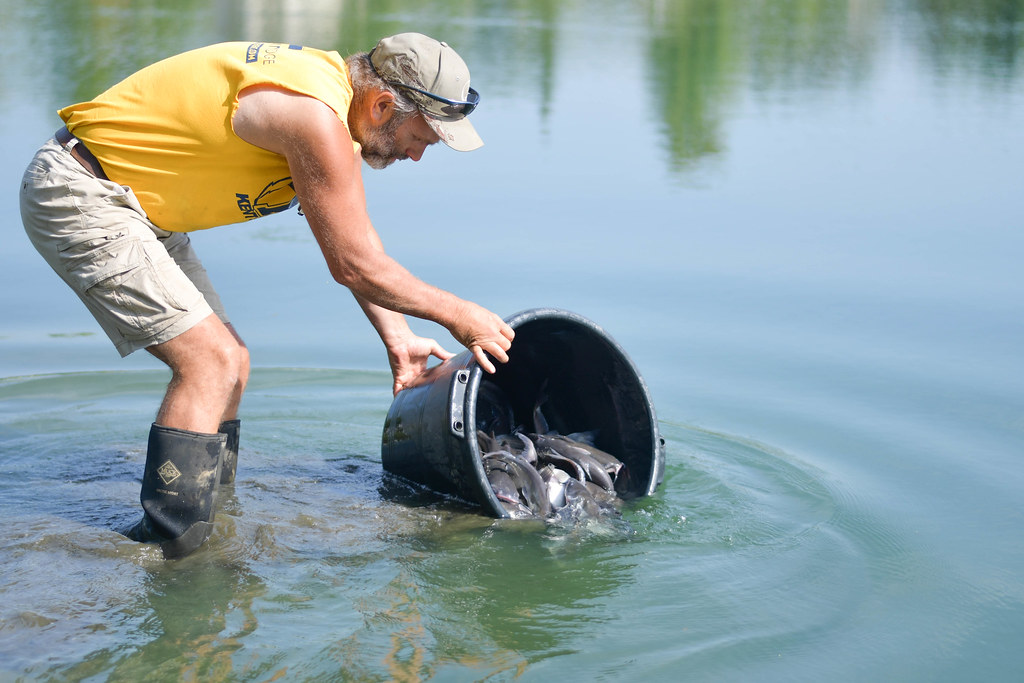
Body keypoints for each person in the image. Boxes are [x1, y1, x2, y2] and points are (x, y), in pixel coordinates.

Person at [19, 34, 515, 559]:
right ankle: (173, 550)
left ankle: (207, 519)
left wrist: (398, 337)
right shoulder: (313, 117)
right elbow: (354, 265)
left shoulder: (335, 114)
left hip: (146, 210)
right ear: (383, 105)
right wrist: (462, 317)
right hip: (84, 190)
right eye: (423, 138)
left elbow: (356, 247)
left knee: (234, 365)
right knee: (210, 362)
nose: (417, 156)